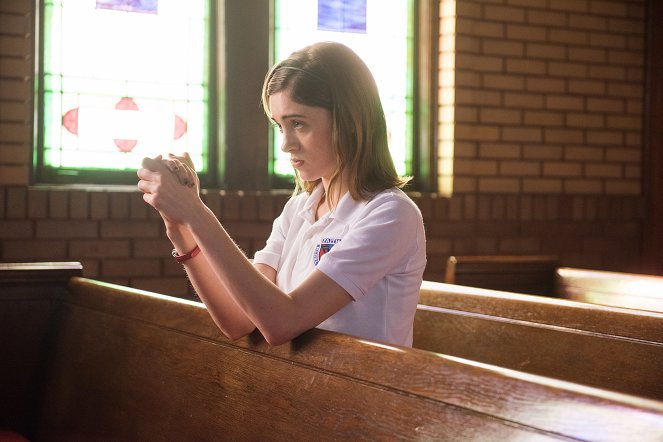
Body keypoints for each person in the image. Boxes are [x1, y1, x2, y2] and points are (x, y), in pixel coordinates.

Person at [137, 41, 426, 347]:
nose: (286, 144)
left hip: (366, 392)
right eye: (280, 126)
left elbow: (282, 323)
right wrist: (179, 227)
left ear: (349, 122)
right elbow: (239, 320)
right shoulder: (299, 209)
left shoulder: (390, 213)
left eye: (298, 124)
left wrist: (197, 213)